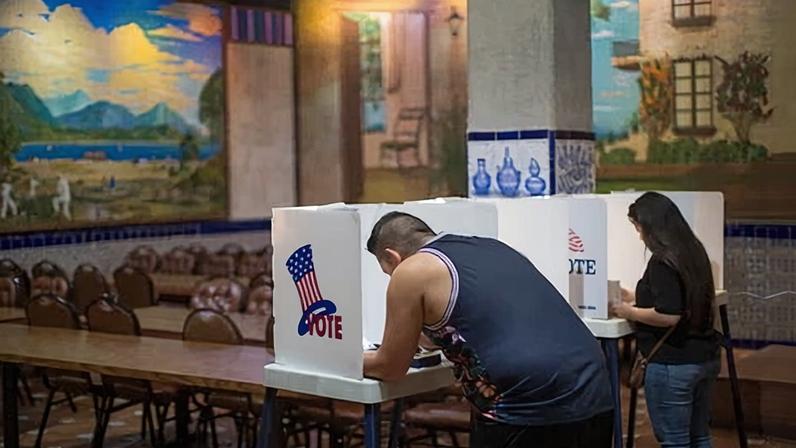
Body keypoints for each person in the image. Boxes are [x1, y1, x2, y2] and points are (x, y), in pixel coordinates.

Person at [364, 212, 614, 448]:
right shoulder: (493, 247)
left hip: (526, 407)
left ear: (391, 257)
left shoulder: (410, 270)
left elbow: (391, 367)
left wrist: (347, 359)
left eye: (389, 273)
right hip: (593, 389)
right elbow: (476, 321)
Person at [612, 192, 719, 448]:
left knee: (674, 440)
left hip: (673, 363)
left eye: (639, 228)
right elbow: (680, 296)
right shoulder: (693, 250)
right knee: (700, 436)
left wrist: (628, 312)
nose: (640, 236)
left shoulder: (662, 260)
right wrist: (634, 296)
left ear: (652, 226)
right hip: (705, 356)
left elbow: (669, 315)